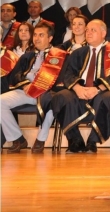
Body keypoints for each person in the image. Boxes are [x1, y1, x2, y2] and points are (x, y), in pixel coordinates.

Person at [50, 19, 110, 153]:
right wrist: (77, 88)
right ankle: (75, 140)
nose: (88, 33)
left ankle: (93, 140)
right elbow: (68, 75)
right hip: (79, 90)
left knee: (108, 98)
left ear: (103, 33)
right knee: (61, 96)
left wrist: (97, 89)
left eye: (93, 30)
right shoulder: (78, 53)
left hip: (103, 91)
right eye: (87, 30)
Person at [1, 22, 65, 153]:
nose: (36, 38)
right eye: (35, 35)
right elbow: (15, 76)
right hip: (26, 91)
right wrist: (25, 84)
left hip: (47, 93)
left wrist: (39, 86)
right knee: (1, 101)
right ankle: (18, 139)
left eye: (41, 35)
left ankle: (41, 139)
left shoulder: (60, 56)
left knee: (52, 102)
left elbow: (62, 79)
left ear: (50, 38)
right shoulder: (28, 56)